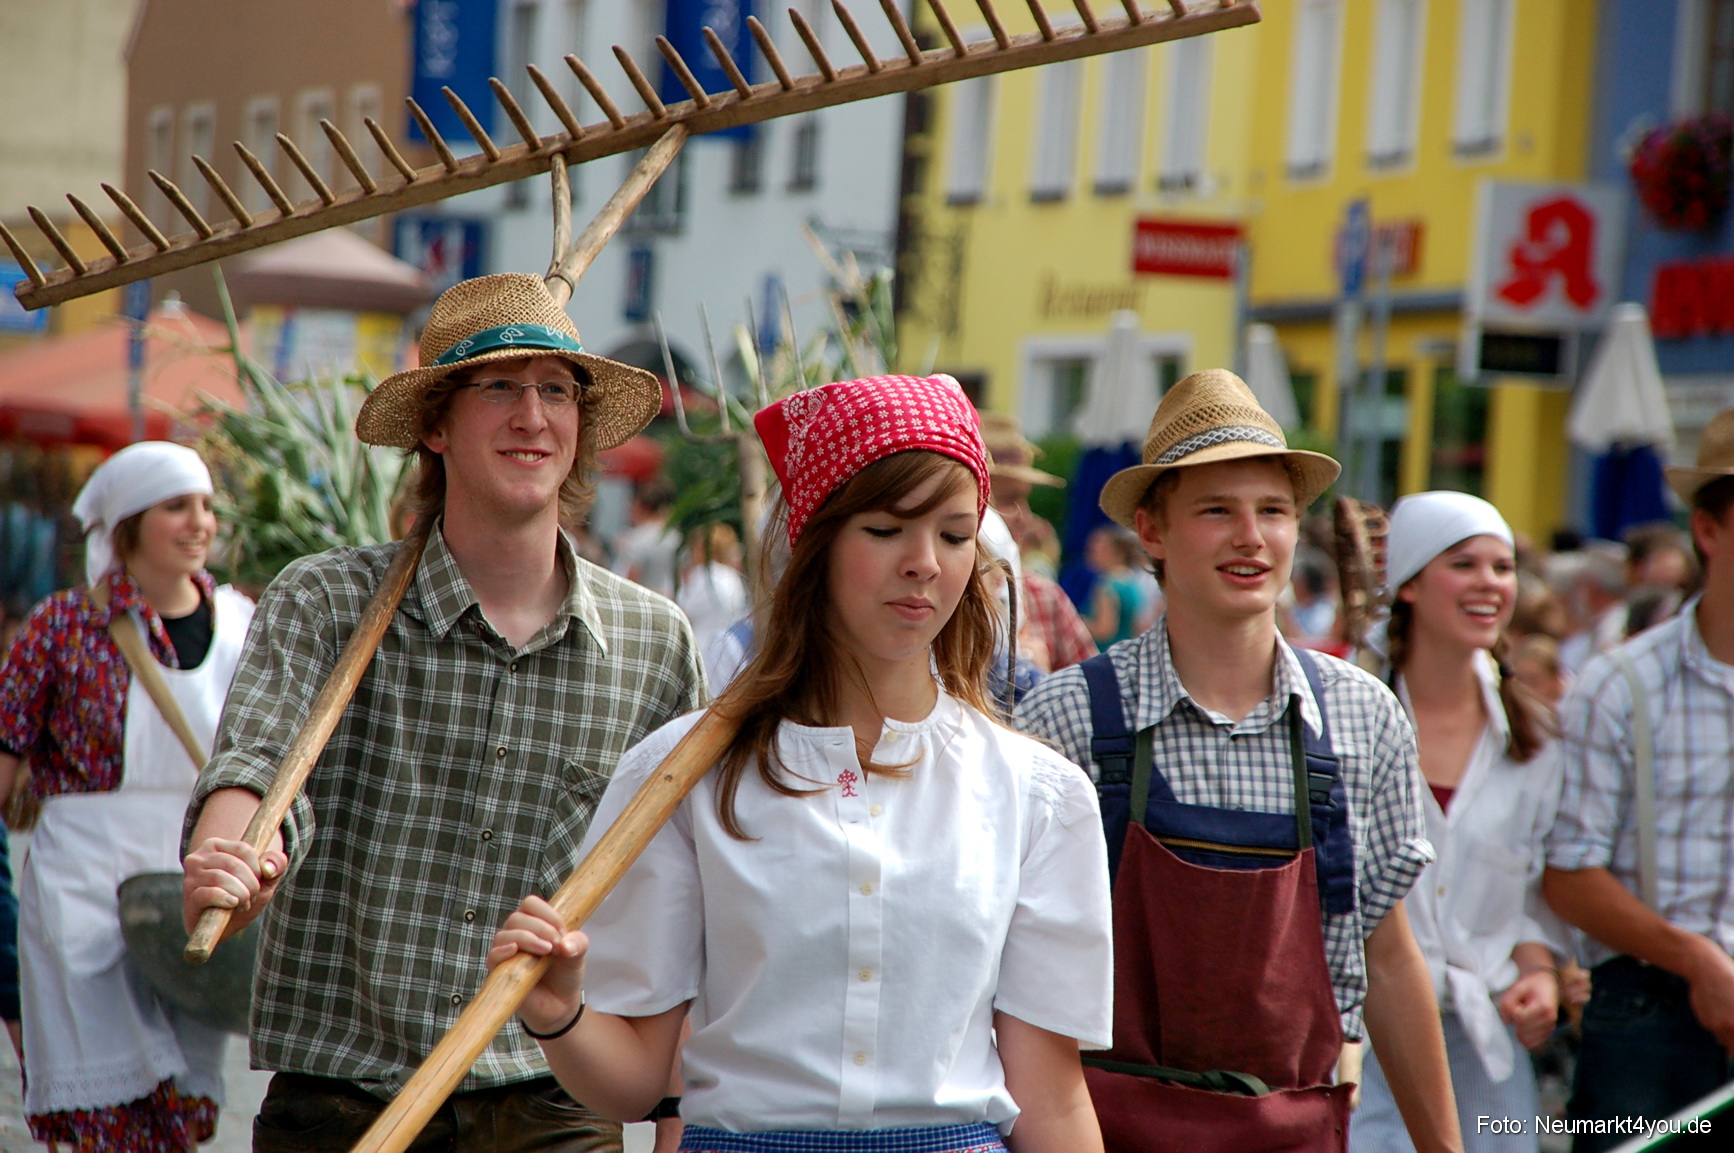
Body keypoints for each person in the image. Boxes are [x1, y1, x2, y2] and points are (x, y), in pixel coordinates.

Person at [490, 374, 1114, 1153]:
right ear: (815, 543)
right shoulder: (683, 775)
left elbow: (1051, 1101)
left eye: (955, 535)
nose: (924, 562)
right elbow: (635, 1081)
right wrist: (561, 1015)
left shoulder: (1039, 796)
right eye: (886, 528)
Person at [180, 273, 706, 1153]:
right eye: (498, 386)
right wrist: (231, 862)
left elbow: (680, 898)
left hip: (554, 1101)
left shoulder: (657, 641)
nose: (533, 417)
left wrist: (675, 1114)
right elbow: (261, 771)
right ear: (434, 424)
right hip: (345, 1100)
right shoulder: (324, 600)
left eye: (555, 390)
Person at [1015, 369, 1462, 1153]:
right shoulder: (1068, 717)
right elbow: (1016, 979)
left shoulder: (1362, 717)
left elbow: (1388, 958)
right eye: (1216, 510)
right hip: (1106, 1132)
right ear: (1151, 532)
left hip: (1294, 1132)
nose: (1251, 537)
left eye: (1274, 511)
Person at [0, 442, 254, 1151]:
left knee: (180, 1117)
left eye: (206, 504)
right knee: (101, 1122)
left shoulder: (244, 625)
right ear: (127, 526)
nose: (199, 521)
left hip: (189, 893)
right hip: (82, 893)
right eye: (177, 505)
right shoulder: (61, 627)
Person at [1348, 492, 1569, 1153]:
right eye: (1464, 563)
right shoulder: (1349, 720)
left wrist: (1540, 973)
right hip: (1358, 1041)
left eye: (1502, 567)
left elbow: (1530, 897)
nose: (1490, 584)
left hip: (1486, 1046)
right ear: (1410, 582)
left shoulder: (1536, 736)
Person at [1544, 408, 1734, 1151]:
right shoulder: (1618, 684)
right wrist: (1696, 958)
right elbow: (1568, 874)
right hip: (1647, 1012)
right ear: (1709, 532)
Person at [980, 413, 1097, 672]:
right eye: (1009, 500)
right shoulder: (929, 598)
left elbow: (1093, 696)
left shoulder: (1043, 596)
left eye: (1025, 500)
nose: (1026, 517)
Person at [675, 523, 748, 692]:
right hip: (729, 651)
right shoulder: (732, 577)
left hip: (701, 650)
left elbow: (684, 613)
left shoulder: (703, 576)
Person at [1083, 525, 1150, 648]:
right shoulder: (1133, 580)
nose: (1092, 553)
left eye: (1100, 550)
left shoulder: (1108, 584)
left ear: (1116, 553)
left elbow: (1104, 630)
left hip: (1106, 654)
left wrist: (1079, 622)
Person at [613, 479, 680, 598]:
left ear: (640, 506)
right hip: (669, 600)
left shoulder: (637, 538)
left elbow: (630, 579)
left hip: (643, 600)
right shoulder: (675, 537)